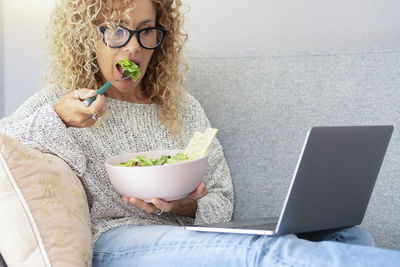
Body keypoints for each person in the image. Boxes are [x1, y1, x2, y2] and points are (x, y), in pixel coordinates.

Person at [1, 0, 400, 266]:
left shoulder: (182, 107)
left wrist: (183, 207)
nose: (133, 49)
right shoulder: (65, 100)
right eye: (117, 31)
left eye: (145, 32)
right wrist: (59, 117)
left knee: (348, 235)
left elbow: (222, 197)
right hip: (117, 240)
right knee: (268, 252)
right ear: (92, 34)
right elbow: (7, 147)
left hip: (185, 235)